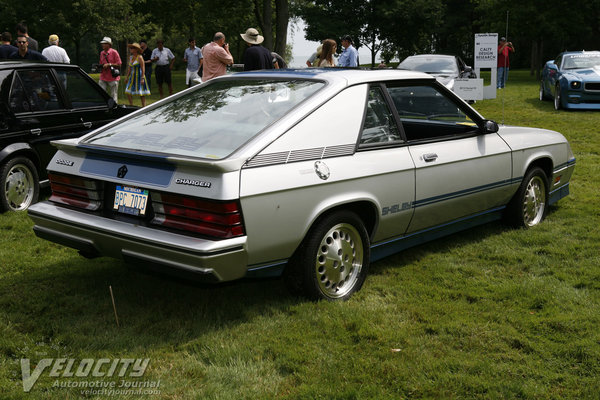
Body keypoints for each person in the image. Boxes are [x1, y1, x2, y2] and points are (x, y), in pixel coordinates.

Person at [124, 43, 150, 107]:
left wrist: (142, 78)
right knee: (128, 91)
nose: (130, 49)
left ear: (136, 50)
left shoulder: (140, 57)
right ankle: (131, 105)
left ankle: (144, 107)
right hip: (132, 77)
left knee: (141, 93)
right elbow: (129, 69)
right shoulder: (131, 58)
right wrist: (127, 77)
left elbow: (143, 68)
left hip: (139, 76)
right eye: (130, 48)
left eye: (132, 48)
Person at [98, 36, 121, 103]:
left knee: (113, 95)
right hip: (103, 76)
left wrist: (109, 64)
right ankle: (103, 106)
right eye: (102, 43)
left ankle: (114, 108)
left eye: (104, 43)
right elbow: (101, 63)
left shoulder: (114, 52)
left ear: (109, 45)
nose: (103, 45)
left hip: (113, 77)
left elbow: (119, 64)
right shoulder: (102, 53)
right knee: (101, 93)